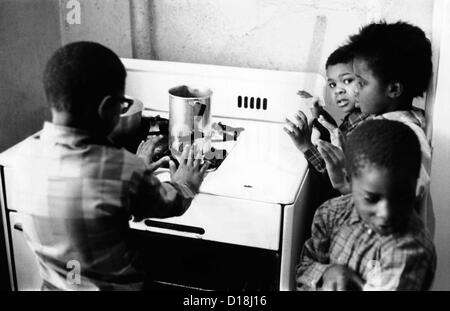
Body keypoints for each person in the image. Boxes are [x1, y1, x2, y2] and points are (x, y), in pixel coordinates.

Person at [10, 41, 209, 290]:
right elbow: (173, 203)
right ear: (106, 108)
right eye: (121, 105)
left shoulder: (25, 154)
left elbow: (83, 204)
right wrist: (186, 183)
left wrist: (133, 172)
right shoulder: (121, 170)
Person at [317, 21, 433, 228]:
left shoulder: (407, 134)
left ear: (394, 89)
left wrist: (346, 184)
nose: (354, 91)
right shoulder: (381, 123)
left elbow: (408, 192)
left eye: (361, 83)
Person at [296, 119, 436, 291]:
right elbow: (304, 268)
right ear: (348, 180)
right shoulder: (330, 213)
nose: (385, 213)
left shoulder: (410, 251)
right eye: (371, 198)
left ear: (415, 184)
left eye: (401, 197)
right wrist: (326, 273)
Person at [285, 45, 370, 203]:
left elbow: (334, 177)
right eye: (333, 84)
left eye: (347, 81)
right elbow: (337, 134)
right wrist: (320, 114)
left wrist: (306, 146)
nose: (338, 90)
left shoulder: (366, 130)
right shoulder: (359, 114)